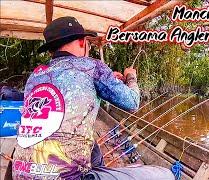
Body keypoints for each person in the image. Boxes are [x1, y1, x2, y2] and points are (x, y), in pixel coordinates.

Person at [12, 16, 174, 180]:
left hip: (20, 172)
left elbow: (73, 87)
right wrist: (131, 77)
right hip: (67, 177)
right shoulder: (92, 66)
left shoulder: (35, 76)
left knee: (94, 150)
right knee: (165, 175)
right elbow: (132, 102)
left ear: (50, 50)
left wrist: (109, 80)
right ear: (83, 42)